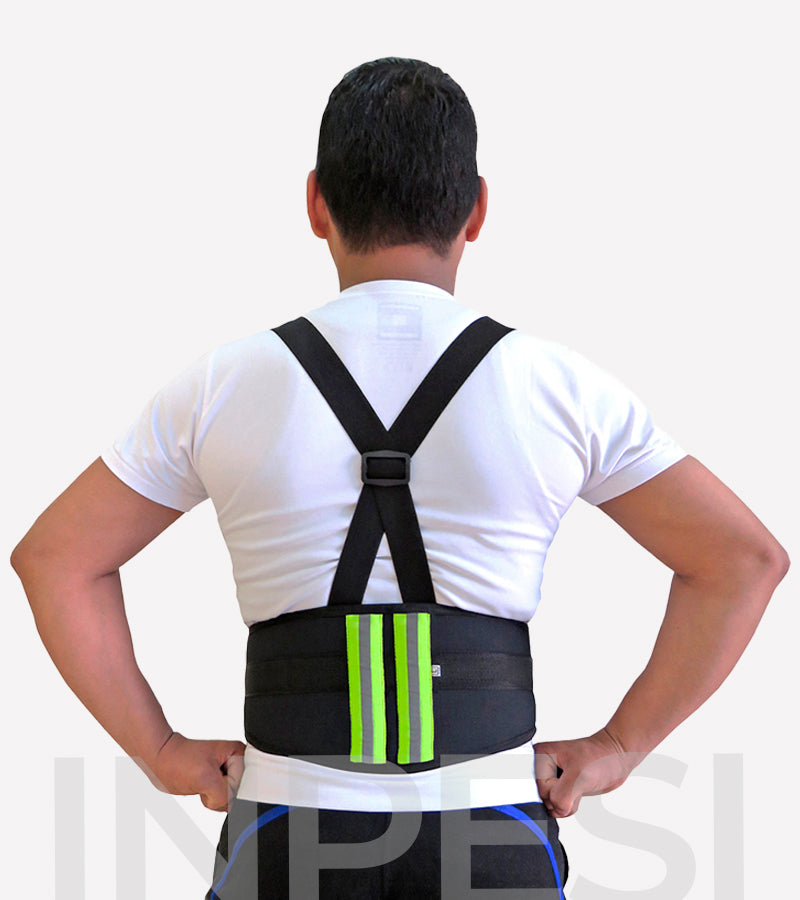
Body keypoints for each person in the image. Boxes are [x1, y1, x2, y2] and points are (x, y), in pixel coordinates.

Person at [11, 57, 789, 899]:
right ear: (477, 209)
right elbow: (741, 560)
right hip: (494, 834)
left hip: (286, 833)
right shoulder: (557, 385)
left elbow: (56, 560)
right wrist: (620, 747)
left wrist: (160, 750)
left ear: (316, 203)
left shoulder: (224, 384)